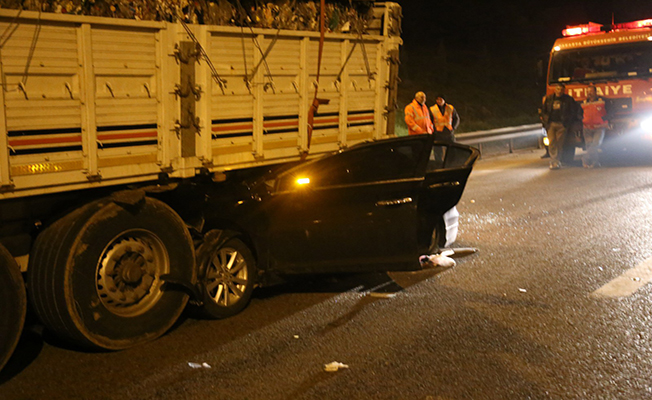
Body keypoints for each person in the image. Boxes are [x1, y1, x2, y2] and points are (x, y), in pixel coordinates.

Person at [541, 83, 580, 169]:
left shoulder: (568, 100)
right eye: (558, 89)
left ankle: (557, 161)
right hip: (551, 124)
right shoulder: (549, 99)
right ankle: (554, 161)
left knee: (559, 143)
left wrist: (567, 122)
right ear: (555, 90)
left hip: (562, 124)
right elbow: (544, 111)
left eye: (561, 89)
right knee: (551, 142)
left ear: (563, 91)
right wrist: (545, 121)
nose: (559, 91)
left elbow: (573, 111)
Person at [581, 85, 608, 168]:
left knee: (596, 143)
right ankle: (595, 162)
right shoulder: (583, 102)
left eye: (591, 91)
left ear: (595, 92)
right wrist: (582, 119)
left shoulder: (603, 101)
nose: (589, 93)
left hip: (599, 127)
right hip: (587, 127)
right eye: (588, 91)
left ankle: (585, 158)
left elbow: (611, 110)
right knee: (589, 145)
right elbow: (578, 113)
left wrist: (605, 119)